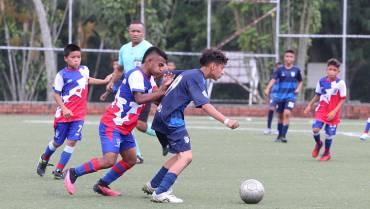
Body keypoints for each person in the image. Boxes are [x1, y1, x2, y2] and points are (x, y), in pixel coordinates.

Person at [64, 47, 174, 196]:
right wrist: (161, 91)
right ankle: (73, 172)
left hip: (126, 127)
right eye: (161, 65)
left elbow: (157, 99)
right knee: (109, 160)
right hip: (112, 123)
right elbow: (139, 98)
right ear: (149, 61)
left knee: (130, 159)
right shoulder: (136, 74)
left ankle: (102, 185)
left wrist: (168, 88)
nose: (163, 68)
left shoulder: (150, 78)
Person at [142, 49, 239, 203]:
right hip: (172, 119)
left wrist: (162, 71)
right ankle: (161, 192)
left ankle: (154, 184)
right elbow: (205, 105)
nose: (223, 72)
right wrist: (227, 121)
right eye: (222, 68)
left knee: (180, 155)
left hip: (161, 116)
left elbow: (169, 72)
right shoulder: (197, 78)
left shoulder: (190, 73)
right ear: (213, 66)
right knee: (186, 157)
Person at [36, 44, 110, 179]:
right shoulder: (61, 75)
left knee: (72, 141)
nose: (76, 60)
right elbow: (56, 94)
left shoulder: (84, 70)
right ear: (66, 58)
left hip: (79, 115)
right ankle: (44, 159)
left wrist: (104, 81)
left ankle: (58, 170)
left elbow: (87, 80)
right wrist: (64, 108)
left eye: (79, 57)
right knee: (57, 142)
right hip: (63, 115)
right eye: (73, 57)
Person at [103, 20, 153, 163]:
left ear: (143, 33)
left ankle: (164, 137)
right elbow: (119, 69)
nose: (135, 33)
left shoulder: (148, 49)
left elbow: (155, 69)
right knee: (128, 122)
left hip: (141, 93)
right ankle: (136, 154)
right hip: (126, 93)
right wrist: (112, 82)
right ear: (129, 32)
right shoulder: (124, 48)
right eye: (133, 31)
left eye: (138, 31)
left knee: (139, 125)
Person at [304, 58, 346, 161]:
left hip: (333, 112)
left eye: (334, 70)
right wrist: (309, 105)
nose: (331, 71)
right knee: (315, 129)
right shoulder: (321, 81)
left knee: (329, 134)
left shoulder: (341, 83)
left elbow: (342, 99)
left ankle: (327, 153)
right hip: (322, 109)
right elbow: (317, 95)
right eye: (330, 69)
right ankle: (318, 144)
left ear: (338, 71)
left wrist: (334, 112)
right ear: (326, 70)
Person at [264, 50, 303, 143]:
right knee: (280, 116)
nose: (289, 58)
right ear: (284, 58)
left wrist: (298, 89)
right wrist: (267, 88)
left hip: (291, 96)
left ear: (293, 58)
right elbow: (273, 79)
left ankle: (284, 136)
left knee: (287, 113)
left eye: (291, 56)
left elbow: (300, 81)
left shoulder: (296, 70)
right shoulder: (279, 69)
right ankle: (279, 136)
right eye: (287, 56)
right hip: (280, 96)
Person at [264, 62, 282, 135]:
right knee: (271, 109)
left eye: (280, 67)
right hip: (273, 95)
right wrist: (268, 95)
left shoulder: (284, 75)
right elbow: (270, 85)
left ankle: (278, 129)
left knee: (279, 112)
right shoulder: (273, 76)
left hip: (281, 95)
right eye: (277, 67)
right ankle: (268, 128)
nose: (278, 69)